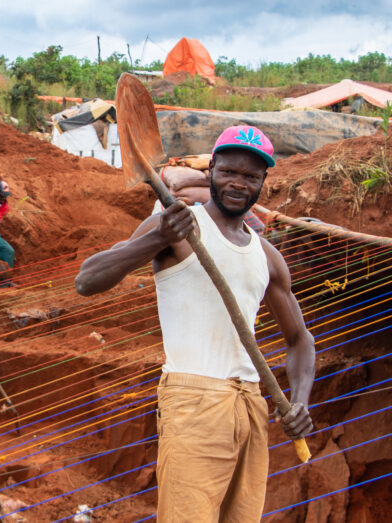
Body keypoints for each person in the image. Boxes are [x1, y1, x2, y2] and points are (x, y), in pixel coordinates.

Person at [75, 126, 315, 522]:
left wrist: (300, 399)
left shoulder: (267, 256)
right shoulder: (177, 228)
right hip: (194, 400)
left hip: (252, 404)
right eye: (229, 172)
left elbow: (300, 339)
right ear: (212, 170)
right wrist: (156, 239)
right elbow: (87, 280)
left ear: (263, 183)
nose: (238, 183)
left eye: (251, 177)